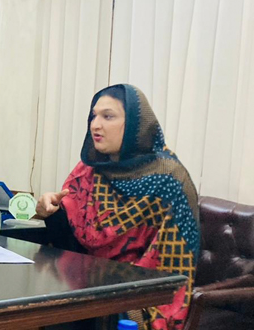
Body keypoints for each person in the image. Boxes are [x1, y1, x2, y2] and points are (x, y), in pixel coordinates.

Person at [36, 84, 199, 330]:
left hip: (139, 294)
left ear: (135, 124)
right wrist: (50, 211)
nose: (95, 125)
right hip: (85, 285)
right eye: (93, 116)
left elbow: (174, 266)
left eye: (108, 116)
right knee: (48, 304)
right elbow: (70, 243)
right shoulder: (89, 170)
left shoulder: (169, 179)